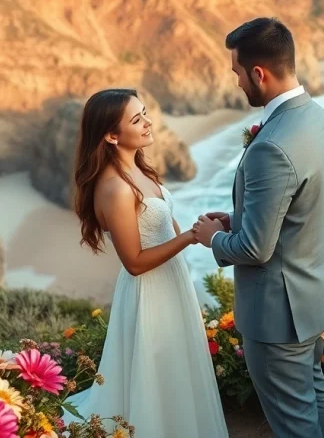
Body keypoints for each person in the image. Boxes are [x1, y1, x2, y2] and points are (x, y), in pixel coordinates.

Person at [193, 17, 324, 438]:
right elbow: (299, 207)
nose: (237, 82)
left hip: (278, 315)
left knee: (294, 423)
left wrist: (214, 238)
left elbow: (255, 250)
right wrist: (239, 219)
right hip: (312, 296)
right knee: (312, 393)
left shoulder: (271, 146)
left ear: (259, 73)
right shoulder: (318, 118)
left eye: (238, 72)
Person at [63, 88, 228, 437]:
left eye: (145, 113)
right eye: (137, 119)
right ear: (112, 136)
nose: (148, 122)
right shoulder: (116, 188)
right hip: (148, 291)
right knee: (155, 372)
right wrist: (191, 237)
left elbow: (166, 226)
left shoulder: (141, 170)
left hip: (172, 281)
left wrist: (203, 226)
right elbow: (134, 262)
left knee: (176, 367)